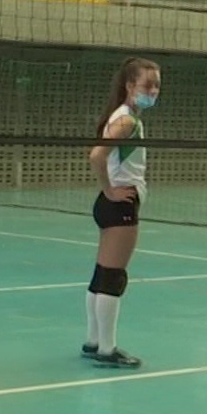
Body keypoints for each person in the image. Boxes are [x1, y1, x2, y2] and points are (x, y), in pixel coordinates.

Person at [81, 57, 158, 371]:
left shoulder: (125, 116)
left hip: (112, 205)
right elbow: (97, 155)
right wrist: (111, 190)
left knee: (102, 275)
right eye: (146, 85)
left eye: (156, 86)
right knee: (113, 277)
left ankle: (92, 341)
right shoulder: (126, 121)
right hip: (119, 206)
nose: (152, 91)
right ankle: (107, 349)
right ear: (129, 86)